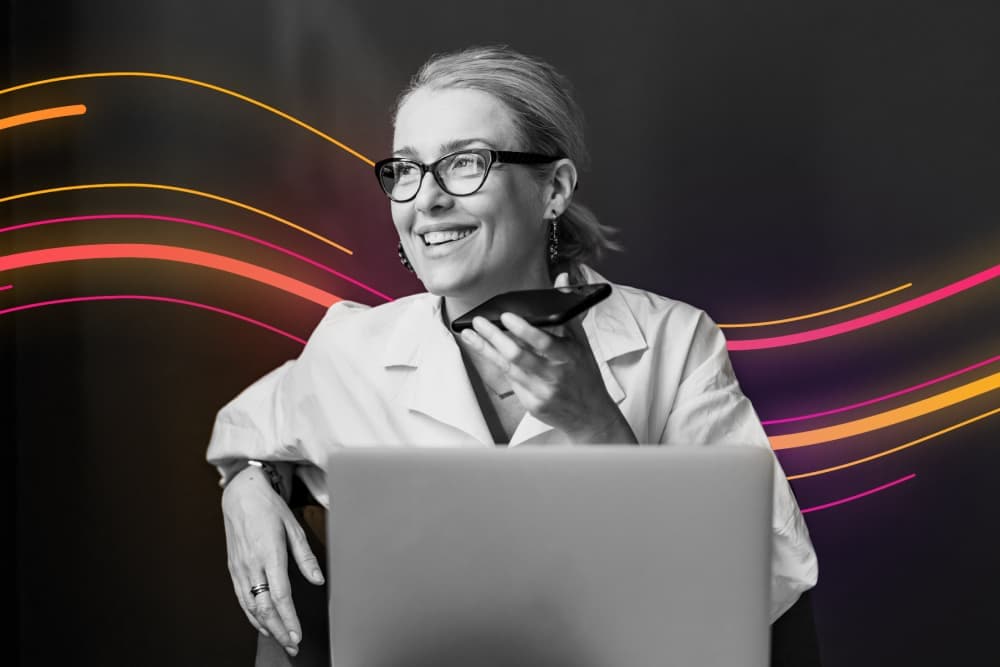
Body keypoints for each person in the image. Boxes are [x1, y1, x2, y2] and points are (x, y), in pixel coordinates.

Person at [207, 44, 819, 663]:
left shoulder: (675, 341)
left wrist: (595, 425)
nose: (427, 199)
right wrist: (248, 485)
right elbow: (246, 428)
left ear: (553, 189)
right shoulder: (351, 349)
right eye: (407, 169)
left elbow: (771, 580)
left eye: (465, 163)